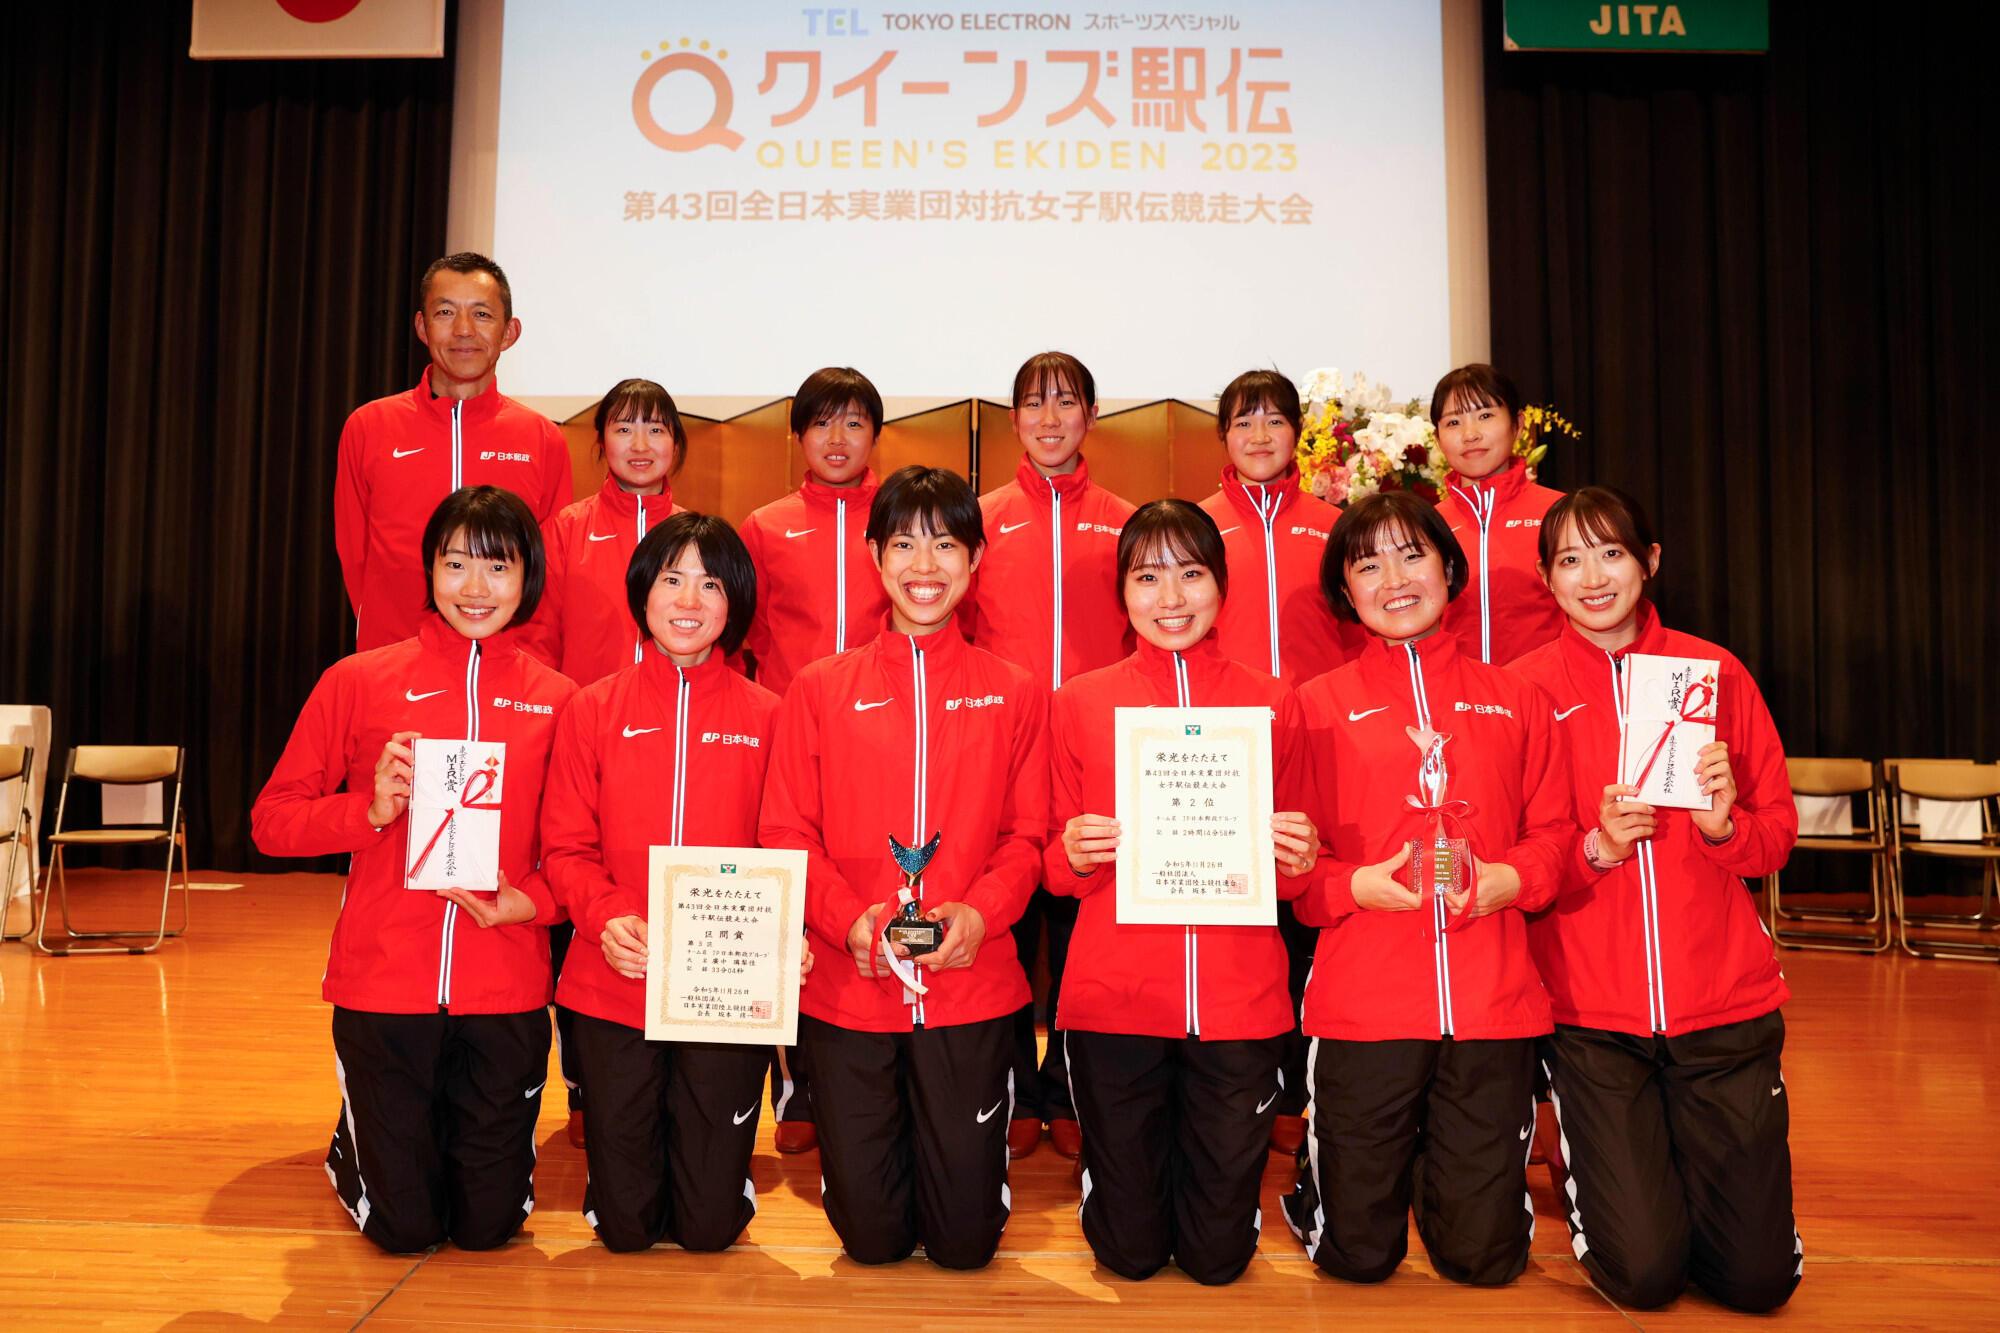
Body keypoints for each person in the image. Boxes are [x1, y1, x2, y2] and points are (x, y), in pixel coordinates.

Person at [251, 486, 576, 1253]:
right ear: (427, 570)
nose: (473, 587)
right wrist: (365, 811)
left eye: (496, 567)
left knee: (487, 1227)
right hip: (383, 984)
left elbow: (577, 855)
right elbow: (271, 822)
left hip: (505, 989)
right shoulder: (358, 681)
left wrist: (526, 902)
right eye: (455, 563)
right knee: (404, 1232)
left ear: (528, 576)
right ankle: (356, 1139)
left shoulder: (559, 700)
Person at [1509, 486, 1802, 1312]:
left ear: (1650, 561)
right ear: (1546, 579)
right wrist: (1593, 846)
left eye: (1610, 553)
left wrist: (1723, 828)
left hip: (1724, 1009)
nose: (1593, 576)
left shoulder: (1714, 672)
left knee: (1755, 1282)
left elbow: (1776, 834)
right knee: (1643, 1276)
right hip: (1593, 1019)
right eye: (1569, 559)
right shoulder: (1525, 689)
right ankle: (1614, 1198)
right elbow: (1517, 857)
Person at [759, 466, 1049, 1270]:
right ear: (875, 558)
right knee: (874, 1240)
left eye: (946, 543)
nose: (926, 564)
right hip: (853, 992)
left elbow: (1029, 836)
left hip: (971, 989)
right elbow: (784, 828)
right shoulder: (817, 690)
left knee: (963, 1245)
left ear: (977, 557)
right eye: (905, 543)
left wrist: (981, 914)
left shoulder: (1014, 691)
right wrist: (848, 918)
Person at [1282, 490, 1573, 1287]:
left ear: (1450, 567)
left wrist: (1509, 878)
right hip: (1364, 1005)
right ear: (1345, 592)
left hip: (1491, 1000)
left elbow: (1555, 837)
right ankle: (1334, 1183)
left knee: (1485, 1261)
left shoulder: (1516, 697)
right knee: (1358, 1257)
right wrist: (1351, 887)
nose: (1394, 578)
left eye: (1412, 554)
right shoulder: (1313, 708)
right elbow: (1294, 874)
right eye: (1367, 564)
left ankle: (1436, 1169)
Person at [1047, 499, 1319, 1284]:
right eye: (1148, 575)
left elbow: (1302, 871)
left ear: (1222, 585)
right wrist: (1070, 852)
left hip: (1239, 998)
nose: (1171, 597)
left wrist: (1295, 852)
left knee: (1217, 1258)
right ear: (1122, 593)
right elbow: (1049, 865)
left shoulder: (1273, 702)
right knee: (1128, 1254)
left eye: (1192, 573)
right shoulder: (1081, 700)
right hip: (1116, 995)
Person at [540, 512, 814, 1253]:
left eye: (711, 582)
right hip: (613, 978)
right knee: (626, 1230)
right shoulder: (590, 709)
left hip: (725, 990)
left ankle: (723, 1180)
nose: (689, 599)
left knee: (707, 1229)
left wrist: (790, 929)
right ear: (642, 591)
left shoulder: (771, 716)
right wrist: (605, 918)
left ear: (736, 604)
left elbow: (787, 843)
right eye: (672, 578)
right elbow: (564, 846)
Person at [963, 350, 1135, 1161]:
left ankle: (1065, 1081)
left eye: (1067, 402)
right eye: (1034, 403)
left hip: (1094, 749)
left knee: (1077, 916)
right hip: (999, 744)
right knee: (1004, 915)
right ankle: (1011, 1082)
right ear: (1014, 420)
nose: (1051, 418)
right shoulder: (980, 518)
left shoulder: (1126, 519)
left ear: (1091, 417)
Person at [1197, 368, 1354, 1154]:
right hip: (1217, 761)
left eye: (1275, 421)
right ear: (1221, 436)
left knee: (1308, 918)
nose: (1259, 436)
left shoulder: (1336, 526)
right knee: (1238, 923)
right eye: (1242, 421)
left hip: (1319, 745)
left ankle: (1300, 1086)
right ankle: (1241, 1078)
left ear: (1299, 435)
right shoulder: (1195, 528)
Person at [737, 365, 892, 1152]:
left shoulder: (897, 522)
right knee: (790, 906)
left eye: (855, 423)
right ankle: (794, 1087)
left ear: (875, 435)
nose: (838, 438)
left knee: (862, 890)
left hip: (883, 739)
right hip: (792, 736)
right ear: (797, 435)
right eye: (821, 423)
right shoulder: (765, 525)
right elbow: (749, 634)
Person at [335, 252, 571, 652]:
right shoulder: (369, 427)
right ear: (422, 327)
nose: (463, 330)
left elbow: (547, 569)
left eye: (481, 315)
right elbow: (354, 555)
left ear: (509, 332)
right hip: (395, 664)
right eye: (445, 312)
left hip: (507, 670)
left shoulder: (542, 439)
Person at [1431, 363, 1564, 666]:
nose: (1470, 434)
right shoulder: (1427, 527)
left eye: (1485, 416)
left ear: (1517, 424)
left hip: (1547, 697)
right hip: (1458, 701)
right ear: (1437, 438)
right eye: (1453, 423)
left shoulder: (1560, 515)